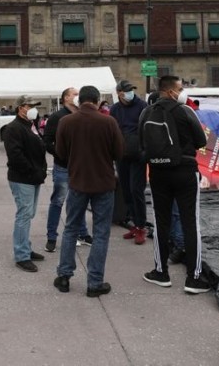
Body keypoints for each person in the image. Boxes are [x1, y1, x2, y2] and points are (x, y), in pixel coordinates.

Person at [140, 75, 210, 294]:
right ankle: (193, 277)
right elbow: (201, 141)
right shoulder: (185, 111)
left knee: (161, 222)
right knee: (191, 222)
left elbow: (142, 143)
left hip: (158, 172)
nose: (182, 92)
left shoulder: (146, 112)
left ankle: (161, 272)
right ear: (171, 91)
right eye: (180, 88)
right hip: (185, 171)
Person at [53, 85, 124, 297]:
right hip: (103, 183)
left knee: (71, 229)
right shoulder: (108, 122)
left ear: (80, 100)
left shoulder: (66, 122)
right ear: (96, 100)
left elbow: (61, 153)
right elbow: (119, 151)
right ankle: (94, 282)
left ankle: (64, 276)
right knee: (101, 232)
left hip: (78, 182)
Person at [43, 87, 92, 253]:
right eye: (74, 94)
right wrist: (60, 154)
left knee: (80, 201)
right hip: (63, 167)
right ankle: (51, 236)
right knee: (58, 201)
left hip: (81, 166)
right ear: (65, 98)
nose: (78, 97)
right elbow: (47, 141)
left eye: (79, 94)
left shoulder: (83, 115)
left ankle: (82, 233)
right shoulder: (57, 117)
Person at [3, 95, 47, 272]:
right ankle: (21, 255)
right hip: (23, 178)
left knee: (28, 214)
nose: (34, 109)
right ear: (21, 108)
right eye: (30, 106)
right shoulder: (13, 128)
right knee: (24, 215)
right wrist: (33, 170)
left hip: (33, 177)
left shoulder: (31, 125)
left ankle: (26, 248)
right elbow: (15, 156)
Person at [109, 80, 150, 245]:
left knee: (136, 191)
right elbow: (112, 130)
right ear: (119, 93)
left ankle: (141, 226)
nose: (130, 93)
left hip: (138, 155)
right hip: (122, 155)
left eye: (131, 89)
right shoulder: (115, 109)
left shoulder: (143, 106)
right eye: (126, 90)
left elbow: (148, 129)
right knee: (126, 191)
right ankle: (134, 224)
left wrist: (144, 152)